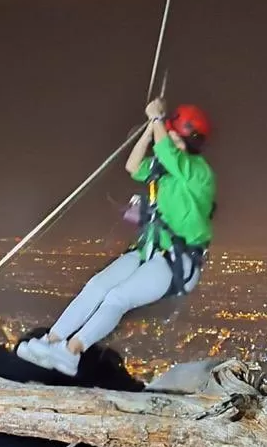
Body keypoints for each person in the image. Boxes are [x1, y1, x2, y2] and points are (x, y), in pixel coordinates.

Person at [18, 98, 215, 376]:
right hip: (149, 250)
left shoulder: (198, 173)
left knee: (117, 298)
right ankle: (51, 341)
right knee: (97, 286)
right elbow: (133, 166)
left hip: (175, 263)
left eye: (171, 135)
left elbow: (170, 155)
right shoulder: (165, 171)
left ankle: (72, 351)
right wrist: (150, 129)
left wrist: (158, 120)